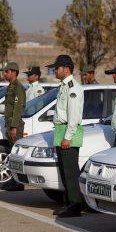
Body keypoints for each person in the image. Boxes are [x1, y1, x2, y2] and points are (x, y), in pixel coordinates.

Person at [46, 55, 84, 217]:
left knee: (70, 171)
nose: (55, 70)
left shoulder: (73, 87)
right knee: (64, 170)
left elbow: (74, 116)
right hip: (60, 130)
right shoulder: (63, 86)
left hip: (69, 131)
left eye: (57, 68)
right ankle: (68, 203)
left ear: (66, 69)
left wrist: (68, 136)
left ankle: (75, 205)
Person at [1, 62, 26, 191]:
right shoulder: (11, 86)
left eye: (7, 71)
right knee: (12, 154)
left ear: (14, 72)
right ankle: (13, 180)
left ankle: (18, 182)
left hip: (15, 125)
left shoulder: (18, 88)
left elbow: (17, 109)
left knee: (16, 155)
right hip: (10, 124)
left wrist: (14, 127)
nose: (5, 74)